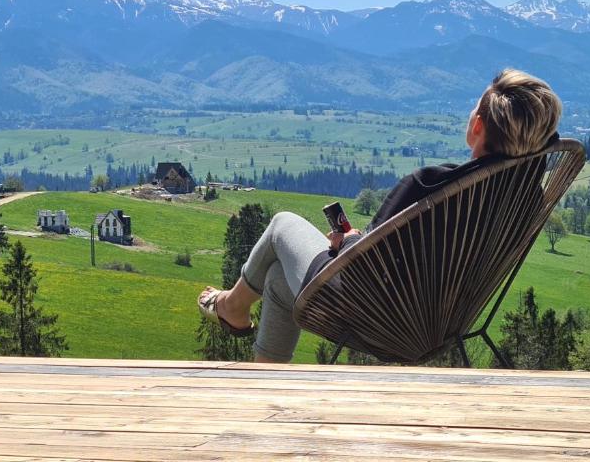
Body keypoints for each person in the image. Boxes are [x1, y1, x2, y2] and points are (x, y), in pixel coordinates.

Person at [198, 69, 563, 363]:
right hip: (441, 326)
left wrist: (349, 241)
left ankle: (232, 305)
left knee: (282, 224)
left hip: (372, 319)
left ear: (478, 126)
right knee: (278, 279)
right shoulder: (526, 198)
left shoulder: (430, 187)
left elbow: (361, 270)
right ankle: (265, 384)